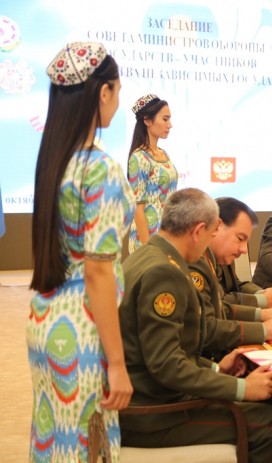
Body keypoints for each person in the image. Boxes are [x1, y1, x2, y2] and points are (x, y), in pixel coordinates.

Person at [119, 188, 272, 462]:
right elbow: (166, 364)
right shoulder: (165, 272)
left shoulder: (149, 255)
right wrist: (242, 388)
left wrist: (215, 369)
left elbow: (163, 349)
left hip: (145, 395)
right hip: (151, 414)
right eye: (211, 233)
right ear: (199, 230)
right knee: (268, 423)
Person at [28, 42, 133, 462]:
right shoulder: (99, 168)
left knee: (54, 440)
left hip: (46, 320)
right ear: (103, 92)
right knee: (89, 448)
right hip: (85, 331)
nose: (117, 101)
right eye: (117, 90)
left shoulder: (56, 162)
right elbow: (98, 272)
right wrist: (117, 363)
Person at [189, 197, 272, 359]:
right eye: (240, 238)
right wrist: (264, 328)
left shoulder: (217, 255)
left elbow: (231, 291)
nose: (244, 250)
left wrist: (262, 304)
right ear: (217, 226)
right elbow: (209, 324)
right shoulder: (195, 261)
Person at [127, 93, 178, 252]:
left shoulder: (164, 154)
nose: (170, 125)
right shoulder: (139, 158)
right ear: (147, 121)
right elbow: (138, 209)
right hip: (148, 241)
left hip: (167, 237)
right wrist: (147, 249)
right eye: (165, 119)